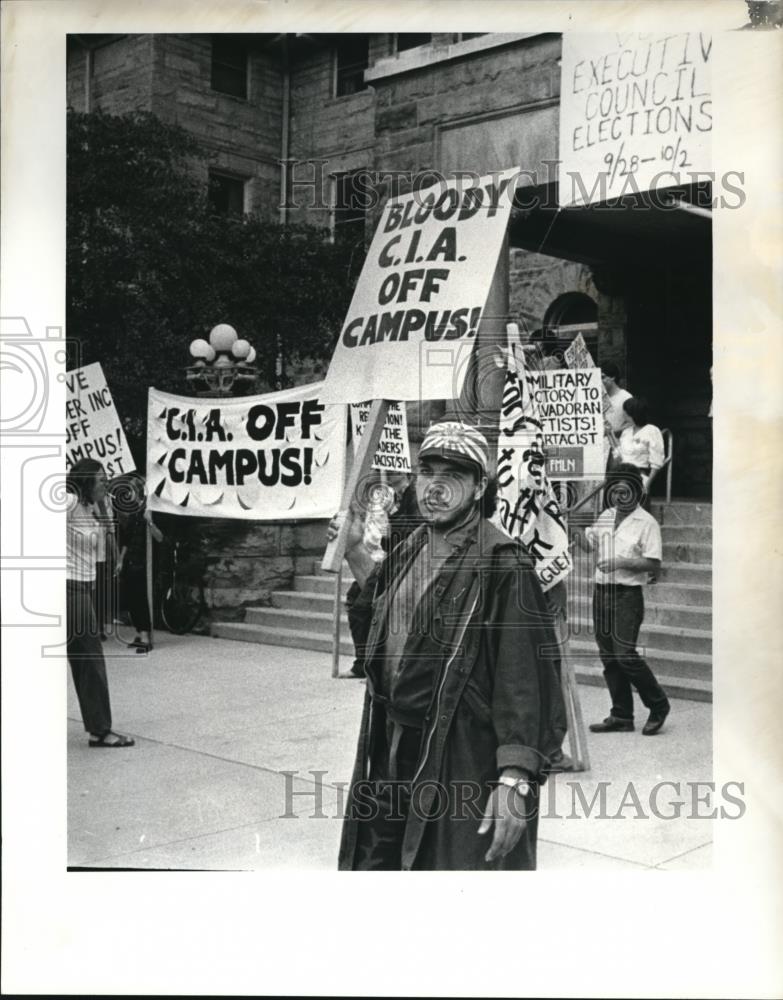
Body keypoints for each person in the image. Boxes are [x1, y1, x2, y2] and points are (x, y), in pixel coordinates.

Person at [330, 421, 566, 871]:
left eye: (453, 475)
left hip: (457, 754)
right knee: (378, 866)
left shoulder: (505, 564)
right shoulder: (414, 543)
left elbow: (525, 681)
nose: (435, 486)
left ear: (480, 487)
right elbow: (385, 622)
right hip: (390, 747)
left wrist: (515, 779)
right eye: (427, 471)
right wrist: (357, 551)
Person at [572, 463, 671, 736]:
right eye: (615, 492)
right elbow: (588, 545)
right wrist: (572, 527)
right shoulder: (606, 516)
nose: (619, 497)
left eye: (625, 492)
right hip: (601, 592)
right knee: (609, 657)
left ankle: (658, 704)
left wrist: (621, 562)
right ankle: (621, 715)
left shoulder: (647, 523)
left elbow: (653, 564)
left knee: (624, 654)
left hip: (627, 595)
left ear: (637, 492)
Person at [66, 459, 135, 748]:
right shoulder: (68, 502)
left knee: (85, 659)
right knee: (90, 658)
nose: (106, 483)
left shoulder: (93, 508)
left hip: (85, 588)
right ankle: (101, 730)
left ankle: (98, 727)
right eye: (101, 480)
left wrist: (104, 511)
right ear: (84, 482)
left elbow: (103, 552)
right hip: (69, 587)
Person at [344, 472, 421, 679]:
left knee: (363, 609)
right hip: (390, 559)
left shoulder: (413, 495)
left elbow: (419, 530)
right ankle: (365, 662)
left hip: (402, 564)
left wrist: (393, 521)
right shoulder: (392, 495)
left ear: (404, 473)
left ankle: (369, 666)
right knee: (355, 599)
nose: (384, 472)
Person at [116, 472, 164, 652]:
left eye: (132, 491)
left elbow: (160, 538)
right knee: (131, 597)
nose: (129, 495)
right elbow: (127, 540)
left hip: (145, 563)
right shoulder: (134, 512)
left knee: (141, 598)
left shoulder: (151, 512)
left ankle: (145, 636)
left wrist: (150, 523)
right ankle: (139, 631)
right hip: (131, 561)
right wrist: (121, 560)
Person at [613, 396, 665, 494]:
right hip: (622, 477)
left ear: (634, 414)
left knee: (638, 507)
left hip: (639, 476)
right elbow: (619, 453)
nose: (624, 416)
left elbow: (657, 461)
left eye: (626, 414)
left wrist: (647, 484)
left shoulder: (652, 430)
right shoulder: (626, 432)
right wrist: (610, 434)